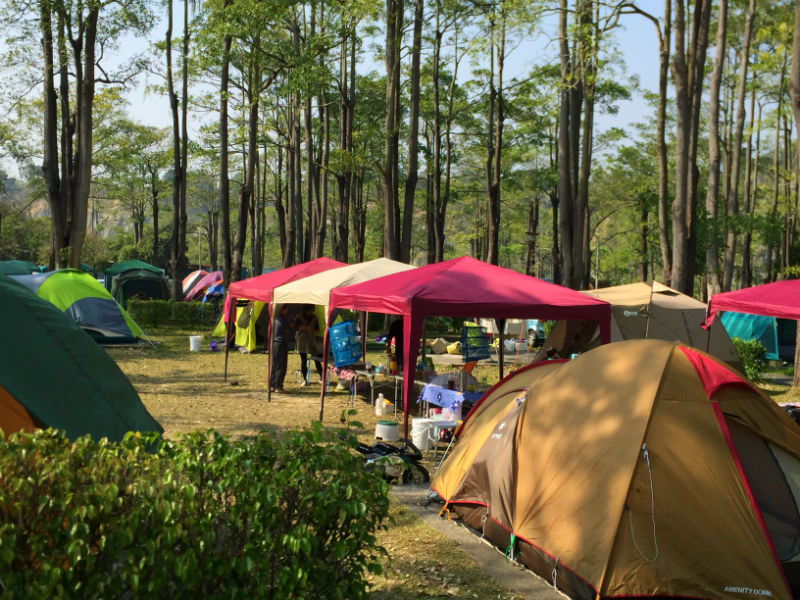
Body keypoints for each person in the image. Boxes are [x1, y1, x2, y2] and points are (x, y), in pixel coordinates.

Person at [295, 304, 321, 386]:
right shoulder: (299, 317)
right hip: (302, 339)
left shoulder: (314, 318)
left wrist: (312, 329)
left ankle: (322, 377)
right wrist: (306, 328)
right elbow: (297, 328)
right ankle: (305, 379)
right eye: (310, 309)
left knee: (316, 358)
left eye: (312, 309)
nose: (311, 311)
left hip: (311, 339)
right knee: (303, 360)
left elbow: (317, 330)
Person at [270, 305, 291, 393]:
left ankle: (272, 385)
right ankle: (278, 386)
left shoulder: (275, 318)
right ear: (283, 309)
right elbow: (286, 330)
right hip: (281, 343)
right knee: (281, 365)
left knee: (275, 364)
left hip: (274, 343)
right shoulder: (282, 319)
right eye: (286, 309)